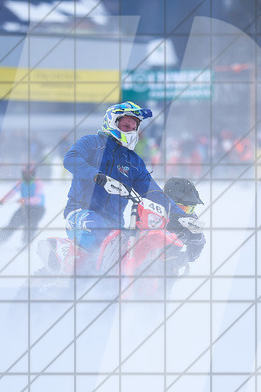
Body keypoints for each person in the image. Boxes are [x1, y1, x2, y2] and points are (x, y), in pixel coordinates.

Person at [59, 101, 192, 270]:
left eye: (134, 127)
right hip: (80, 214)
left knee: (134, 248)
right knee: (99, 228)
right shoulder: (91, 143)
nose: (130, 129)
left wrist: (181, 216)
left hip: (115, 226)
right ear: (112, 122)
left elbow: (153, 191)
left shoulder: (134, 162)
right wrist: (96, 175)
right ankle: (71, 283)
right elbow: (70, 159)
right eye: (125, 124)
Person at [0, 164, 46, 246]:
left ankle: (26, 244)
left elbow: (38, 199)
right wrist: (2, 200)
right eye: (25, 173)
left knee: (30, 226)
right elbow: (12, 192)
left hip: (38, 209)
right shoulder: (21, 182)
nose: (27, 175)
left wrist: (25, 200)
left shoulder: (38, 183)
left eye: (29, 173)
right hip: (25, 207)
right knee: (13, 223)